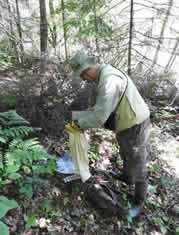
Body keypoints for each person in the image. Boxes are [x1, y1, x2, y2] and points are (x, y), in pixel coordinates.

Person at [69, 50, 152, 218]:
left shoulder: (109, 80)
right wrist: (83, 116)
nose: (85, 80)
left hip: (135, 124)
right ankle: (127, 177)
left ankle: (139, 202)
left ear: (89, 69)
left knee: (138, 162)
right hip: (127, 122)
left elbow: (100, 117)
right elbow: (105, 105)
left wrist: (78, 123)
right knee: (126, 153)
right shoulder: (106, 73)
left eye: (83, 75)